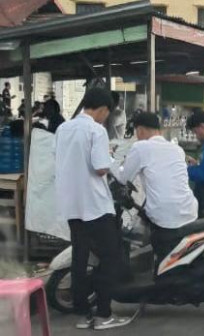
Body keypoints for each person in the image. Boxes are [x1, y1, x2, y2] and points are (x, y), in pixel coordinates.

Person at [54, 87, 131, 330]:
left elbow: (60, 159)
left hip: (71, 205)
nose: (105, 118)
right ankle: (104, 314)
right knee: (110, 257)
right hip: (95, 206)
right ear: (103, 109)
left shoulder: (62, 129)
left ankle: (83, 314)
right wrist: (110, 157)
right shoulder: (95, 130)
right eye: (107, 113)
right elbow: (100, 167)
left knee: (80, 257)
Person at [113, 112, 198, 259]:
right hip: (189, 212)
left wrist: (109, 162)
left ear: (140, 130)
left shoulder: (140, 147)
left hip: (165, 218)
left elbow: (123, 178)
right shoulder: (176, 149)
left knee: (161, 250)